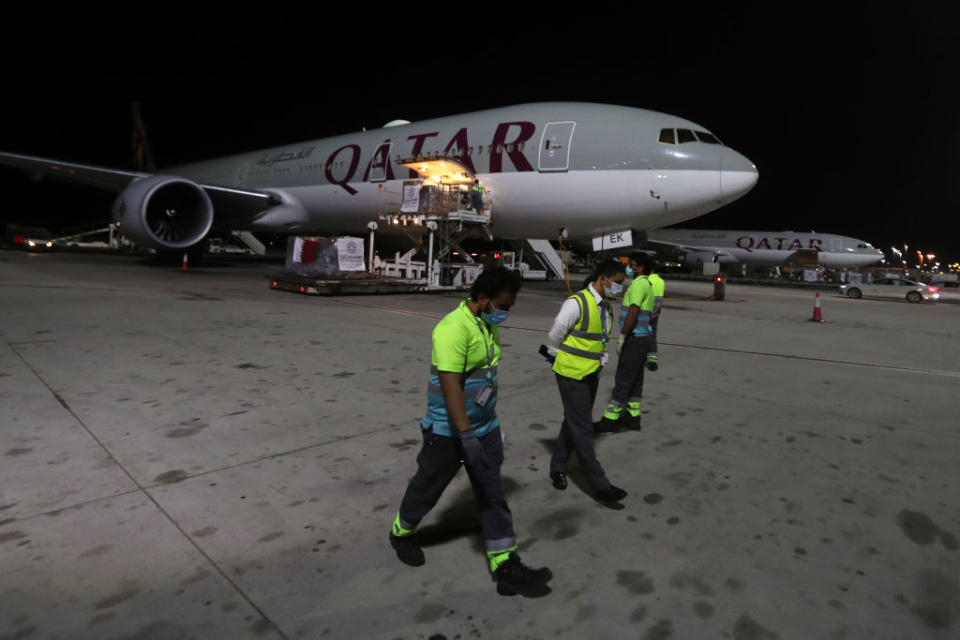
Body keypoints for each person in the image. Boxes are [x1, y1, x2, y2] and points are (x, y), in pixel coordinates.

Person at [389, 267, 552, 595]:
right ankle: (402, 531)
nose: (506, 312)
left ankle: (504, 564)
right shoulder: (452, 329)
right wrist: (466, 437)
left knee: (492, 492)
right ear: (483, 299)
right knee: (428, 486)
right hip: (448, 431)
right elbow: (451, 387)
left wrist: (489, 428)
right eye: (503, 305)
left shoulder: (484, 323)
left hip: (485, 426)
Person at [545, 260, 629, 503]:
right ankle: (601, 486)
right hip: (571, 374)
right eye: (618, 282)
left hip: (591, 373)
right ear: (603, 279)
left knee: (573, 420)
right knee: (583, 429)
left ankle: (558, 466)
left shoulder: (606, 307)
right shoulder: (576, 303)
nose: (620, 288)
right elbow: (554, 335)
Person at [596, 252, 655, 432]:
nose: (629, 267)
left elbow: (633, 311)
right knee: (636, 379)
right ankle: (633, 416)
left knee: (623, 378)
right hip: (644, 338)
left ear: (641, 267)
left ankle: (610, 418)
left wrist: (623, 335)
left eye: (633, 264)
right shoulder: (648, 284)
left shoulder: (638, 285)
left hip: (634, 339)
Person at [637, 262, 665, 371]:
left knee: (640, 336)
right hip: (656, 313)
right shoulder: (661, 281)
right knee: (653, 336)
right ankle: (653, 359)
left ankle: (640, 359)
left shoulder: (647, 280)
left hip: (645, 312)